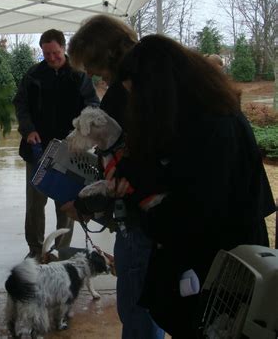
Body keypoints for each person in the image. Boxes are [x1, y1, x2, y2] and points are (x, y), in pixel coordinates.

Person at [109, 34, 275, 337]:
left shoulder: (216, 124)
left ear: (158, 89)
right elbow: (159, 156)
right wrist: (129, 171)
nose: (136, 105)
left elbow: (197, 209)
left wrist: (149, 212)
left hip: (222, 267)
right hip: (199, 258)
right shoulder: (190, 112)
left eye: (138, 95)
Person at [67, 14, 165, 339]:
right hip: (138, 221)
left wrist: (95, 196)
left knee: (138, 311)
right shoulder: (144, 83)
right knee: (139, 308)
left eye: (98, 69)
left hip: (141, 223)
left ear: (109, 55)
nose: (96, 77)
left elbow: (136, 167)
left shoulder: (136, 91)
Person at [13, 28, 100, 260]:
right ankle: (35, 250)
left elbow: (93, 106)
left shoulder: (80, 75)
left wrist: (81, 133)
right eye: (46, 54)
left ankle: (62, 251)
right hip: (37, 150)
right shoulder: (33, 75)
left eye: (55, 53)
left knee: (67, 205)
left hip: (69, 151)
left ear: (64, 48)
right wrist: (28, 130)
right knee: (34, 205)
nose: (51, 58)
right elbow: (21, 106)